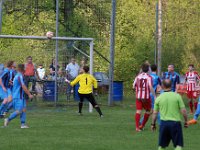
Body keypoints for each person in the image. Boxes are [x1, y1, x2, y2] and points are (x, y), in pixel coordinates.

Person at [151, 79, 188, 150]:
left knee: (162, 146)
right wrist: (186, 121)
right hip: (175, 124)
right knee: (178, 145)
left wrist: (153, 124)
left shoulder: (159, 98)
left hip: (164, 124)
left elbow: (155, 113)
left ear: (162, 86)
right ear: (171, 85)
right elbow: (183, 111)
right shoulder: (177, 96)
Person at [4, 64, 33, 128]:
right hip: (18, 97)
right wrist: (29, 94)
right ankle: (8, 119)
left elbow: (15, 85)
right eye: (25, 67)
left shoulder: (19, 76)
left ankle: (23, 124)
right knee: (19, 111)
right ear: (22, 68)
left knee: (24, 109)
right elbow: (23, 86)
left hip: (21, 96)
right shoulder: (19, 76)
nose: (26, 68)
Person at [133, 63, 156, 132]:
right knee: (148, 111)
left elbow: (133, 86)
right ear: (148, 70)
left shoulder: (137, 77)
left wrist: (137, 91)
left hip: (138, 97)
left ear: (142, 69)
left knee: (138, 111)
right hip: (146, 97)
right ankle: (142, 125)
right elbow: (150, 87)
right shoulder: (149, 77)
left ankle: (137, 127)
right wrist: (154, 95)